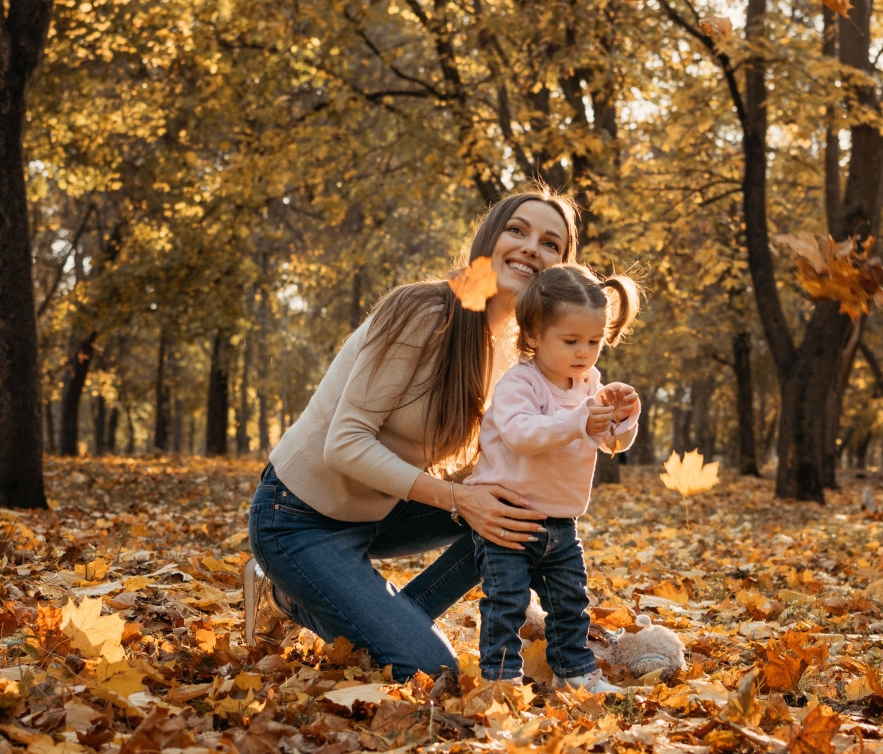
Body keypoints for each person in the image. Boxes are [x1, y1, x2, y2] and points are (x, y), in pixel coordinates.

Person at [243, 189, 581, 680]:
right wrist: (458, 499)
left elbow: (493, 465)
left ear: (560, 270)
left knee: (524, 507)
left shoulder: (518, 355)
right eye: (517, 230)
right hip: (297, 517)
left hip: (380, 512)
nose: (532, 247)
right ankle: (291, 599)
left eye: (551, 243)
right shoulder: (425, 311)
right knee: (431, 671)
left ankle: (387, 621)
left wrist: (596, 423)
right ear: (490, 238)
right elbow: (346, 444)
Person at [466, 264, 643, 694]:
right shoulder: (520, 383)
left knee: (571, 604)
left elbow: (608, 443)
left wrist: (623, 418)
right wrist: (581, 418)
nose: (584, 353)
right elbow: (522, 434)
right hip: (508, 517)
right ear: (534, 336)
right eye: (571, 341)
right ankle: (501, 679)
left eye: (594, 342)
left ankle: (574, 672)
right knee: (505, 603)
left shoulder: (589, 383)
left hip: (561, 522)